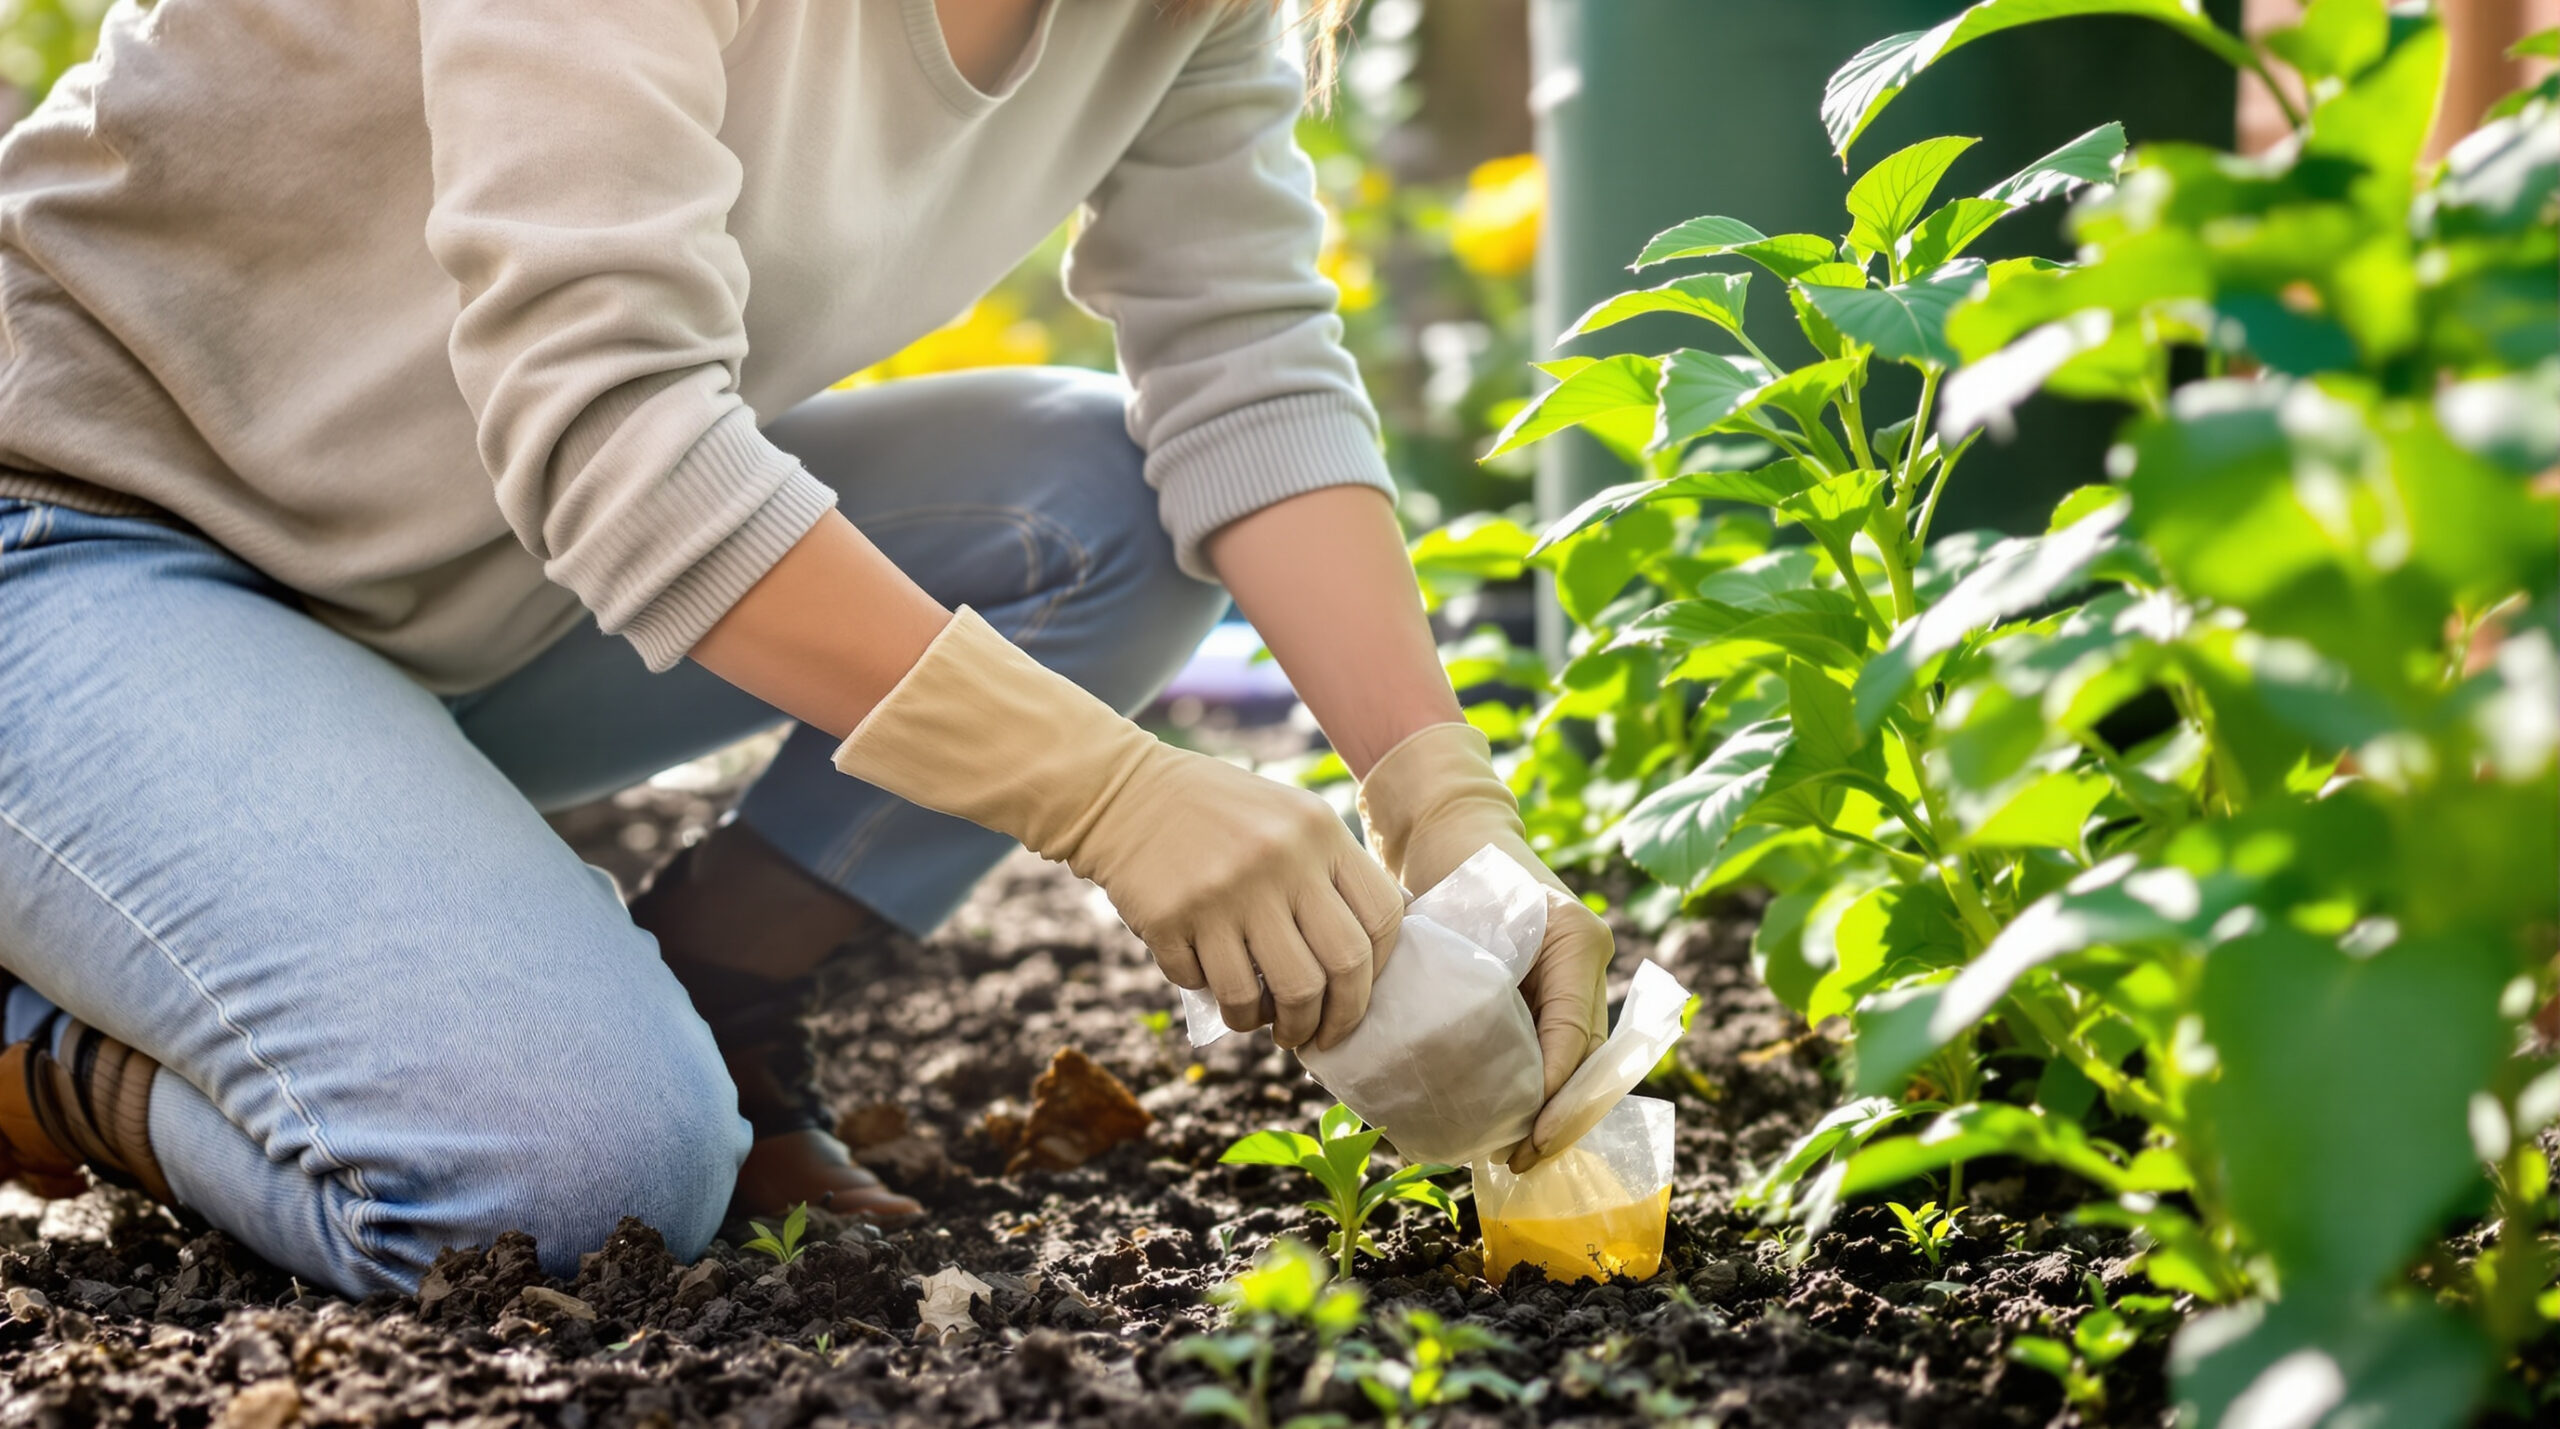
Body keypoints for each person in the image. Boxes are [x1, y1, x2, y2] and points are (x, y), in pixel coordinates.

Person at [0, 0, 1612, 1301]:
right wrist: (1110, 796)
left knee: (1095, 510)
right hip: (77, 532)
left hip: (458, 580)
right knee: (562, 1183)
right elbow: (611, 434)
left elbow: (1244, 359)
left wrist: (1447, 804)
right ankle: (42, 1057)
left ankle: (714, 994)